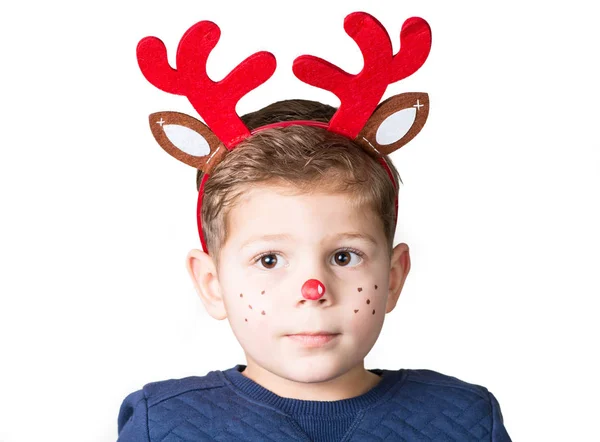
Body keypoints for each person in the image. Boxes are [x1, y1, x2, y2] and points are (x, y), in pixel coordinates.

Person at [118, 14, 511, 442]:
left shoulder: (466, 419)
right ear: (213, 283)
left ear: (393, 276)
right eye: (269, 259)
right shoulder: (163, 425)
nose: (313, 289)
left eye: (344, 256)